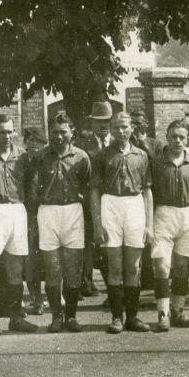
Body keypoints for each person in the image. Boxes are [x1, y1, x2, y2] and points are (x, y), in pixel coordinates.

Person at [90, 112, 153, 334]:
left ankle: (133, 317)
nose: (121, 131)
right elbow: (95, 191)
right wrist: (97, 224)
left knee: (133, 266)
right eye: (116, 127)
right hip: (111, 204)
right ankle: (117, 317)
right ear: (111, 129)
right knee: (115, 265)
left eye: (125, 127)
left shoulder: (142, 155)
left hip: (134, 205)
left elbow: (147, 191)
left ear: (132, 128)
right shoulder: (101, 155)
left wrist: (149, 225)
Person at [0, 114, 39, 335]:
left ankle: (15, 318)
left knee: (15, 269)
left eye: (10, 131)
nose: (7, 136)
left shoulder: (22, 155)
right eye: (2, 132)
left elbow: (31, 185)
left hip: (17, 210)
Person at [30, 112, 92, 332]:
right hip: (48, 212)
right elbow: (31, 187)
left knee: (73, 268)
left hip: (73, 212)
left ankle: (72, 317)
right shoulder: (39, 156)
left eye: (63, 131)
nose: (58, 136)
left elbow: (88, 186)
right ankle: (56, 317)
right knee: (53, 268)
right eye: (54, 132)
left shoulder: (82, 157)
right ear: (49, 132)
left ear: (71, 132)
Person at [150, 118, 189, 331]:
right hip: (163, 214)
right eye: (173, 137)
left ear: (188, 138)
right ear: (167, 137)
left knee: (182, 267)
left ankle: (178, 311)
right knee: (162, 267)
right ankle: (162, 314)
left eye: (182, 137)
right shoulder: (156, 162)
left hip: (187, 214)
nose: (177, 141)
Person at [74, 101, 113, 299]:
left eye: (106, 121)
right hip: (88, 198)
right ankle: (85, 282)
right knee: (88, 241)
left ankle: (112, 288)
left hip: (112, 200)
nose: (103, 125)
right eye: (99, 122)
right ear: (91, 123)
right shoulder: (82, 144)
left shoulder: (117, 141)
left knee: (109, 243)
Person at [21, 127, 48, 314]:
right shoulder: (20, 161)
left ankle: (54, 294)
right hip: (27, 214)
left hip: (47, 212)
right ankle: (36, 298)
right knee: (31, 259)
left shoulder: (48, 161)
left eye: (37, 142)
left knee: (50, 255)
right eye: (30, 141)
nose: (33, 145)